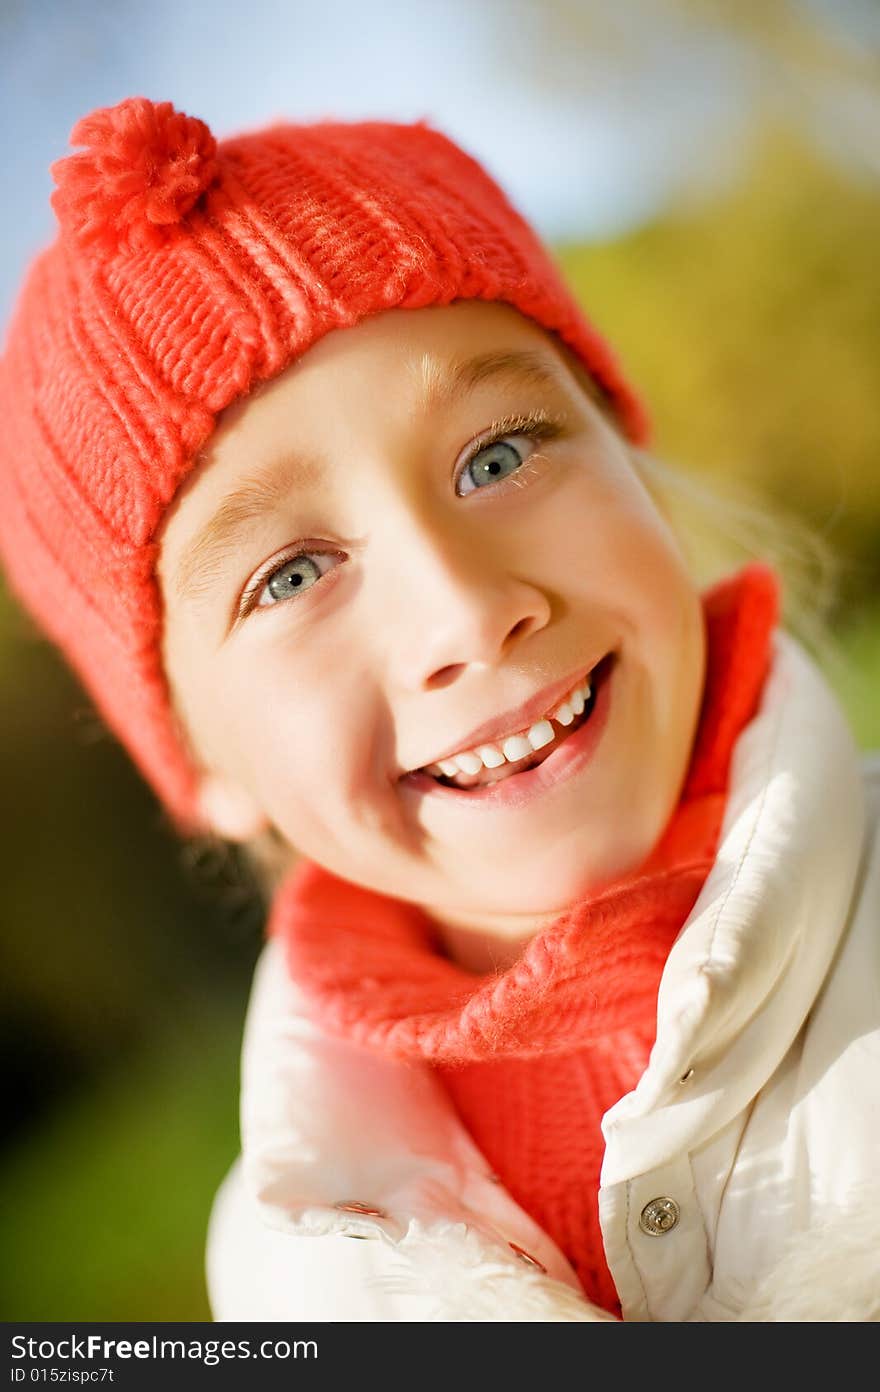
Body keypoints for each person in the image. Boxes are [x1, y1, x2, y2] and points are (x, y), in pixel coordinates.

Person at [1, 95, 877, 1324]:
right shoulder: (285, 1269)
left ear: (636, 475)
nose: (463, 614)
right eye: (291, 576)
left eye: (501, 454)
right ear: (202, 767)